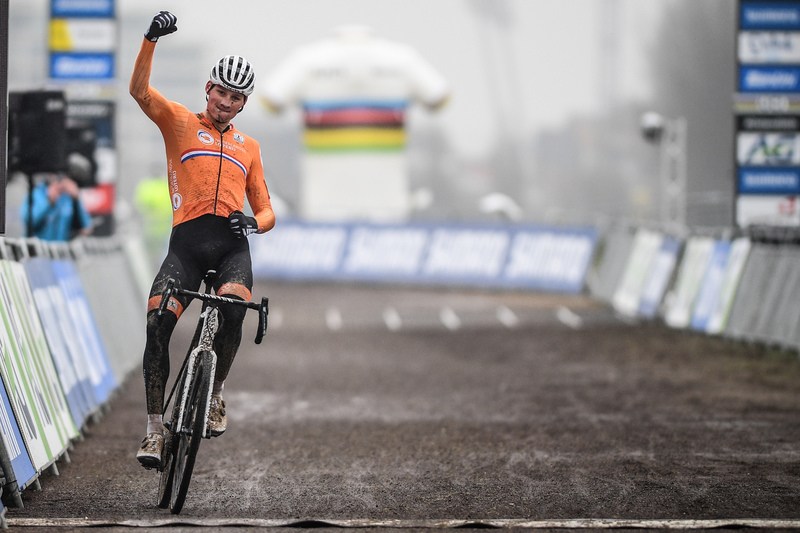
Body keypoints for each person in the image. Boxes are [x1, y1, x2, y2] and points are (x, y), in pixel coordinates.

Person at [130, 10, 276, 468]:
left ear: (243, 104)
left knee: (233, 309)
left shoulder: (248, 147)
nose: (226, 102)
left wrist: (253, 224)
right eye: (221, 92)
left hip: (232, 249)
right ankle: (154, 431)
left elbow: (267, 210)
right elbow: (139, 92)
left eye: (236, 98)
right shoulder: (177, 121)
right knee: (157, 329)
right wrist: (151, 39)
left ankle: (214, 395)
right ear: (208, 89)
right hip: (186, 249)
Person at [20, 155, 94, 241]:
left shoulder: (68, 198)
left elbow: (86, 228)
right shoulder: (37, 193)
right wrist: (49, 202)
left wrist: (76, 199)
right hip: (38, 251)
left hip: (60, 251)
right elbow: (29, 222)